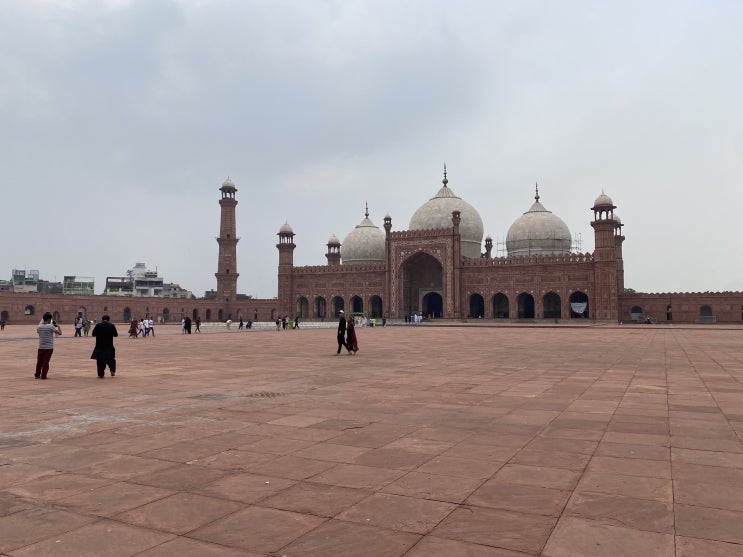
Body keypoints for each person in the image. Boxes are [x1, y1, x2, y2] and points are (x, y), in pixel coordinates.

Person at [35, 312, 62, 379]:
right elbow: (60, 333)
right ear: (49, 319)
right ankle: (43, 376)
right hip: (49, 347)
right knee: (45, 362)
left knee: (39, 362)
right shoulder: (50, 327)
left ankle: (37, 375)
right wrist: (58, 326)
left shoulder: (39, 327)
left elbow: (39, 333)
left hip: (41, 347)